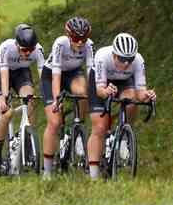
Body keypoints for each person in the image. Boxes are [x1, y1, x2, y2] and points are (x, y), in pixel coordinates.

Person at [87, 33, 156, 180]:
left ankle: (124, 134)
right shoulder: (102, 56)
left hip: (124, 82)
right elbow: (100, 91)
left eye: (129, 60)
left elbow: (140, 93)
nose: (126, 64)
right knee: (99, 127)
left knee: (130, 101)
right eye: (122, 59)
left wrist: (148, 95)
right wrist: (106, 91)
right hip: (101, 83)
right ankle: (93, 177)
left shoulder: (138, 60)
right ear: (114, 55)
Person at [41, 17, 94, 178]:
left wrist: (95, 94)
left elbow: (92, 72)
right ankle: (47, 171)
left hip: (73, 73)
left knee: (83, 93)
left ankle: (78, 125)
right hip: (51, 76)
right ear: (69, 36)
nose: (80, 43)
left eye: (83, 39)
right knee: (55, 122)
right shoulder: (60, 43)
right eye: (77, 39)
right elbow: (56, 73)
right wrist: (57, 99)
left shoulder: (89, 45)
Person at [0, 24, 45, 175]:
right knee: (6, 112)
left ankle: (29, 141)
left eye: (30, 50)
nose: (27, 53)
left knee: (30, 99)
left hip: (21, 73)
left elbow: (42, 73)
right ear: (16, 44)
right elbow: (4, 73)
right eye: (24, 50)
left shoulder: (38, 50)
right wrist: (4, 96)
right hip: (1, 72)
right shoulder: (7, 47)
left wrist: (47, 92)